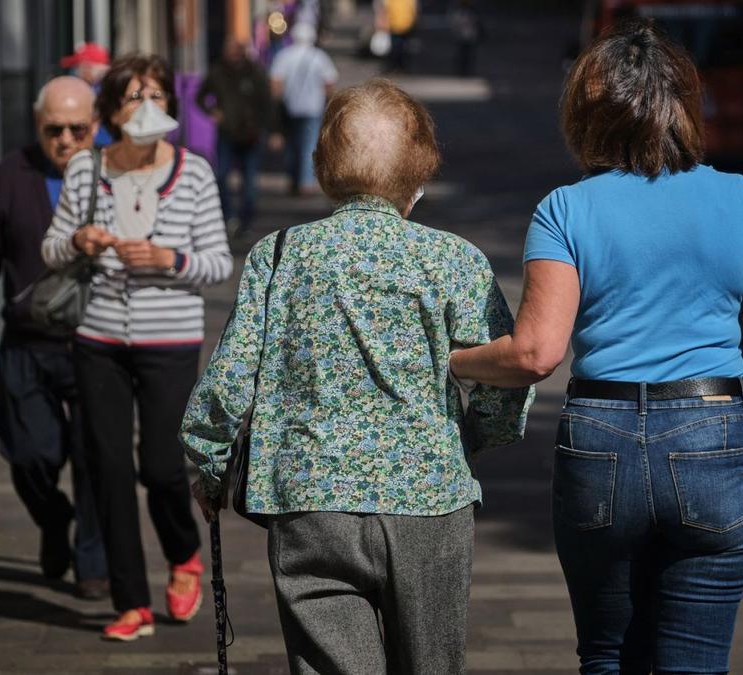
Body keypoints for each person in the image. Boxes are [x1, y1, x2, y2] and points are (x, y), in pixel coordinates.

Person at [449, 20, 743, 675]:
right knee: (694, 658)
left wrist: (454, 360)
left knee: (608, 653)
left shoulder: (565, 209)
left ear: (589, 113)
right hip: (715, 434)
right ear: (687, 107)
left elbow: (535, 352)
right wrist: (735, 328)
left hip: (602, 439)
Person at [182, 79, 533, 674]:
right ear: (420, 171)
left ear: (323, 168)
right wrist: (469, 437)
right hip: (429, 498)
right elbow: (505, 372)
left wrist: (210, 466)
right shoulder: (454, 259)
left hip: (311, 498)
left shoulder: (281, 253)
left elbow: (229, 379)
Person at [41, 54, 233, 641]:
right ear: (110, 113)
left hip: (169, 338)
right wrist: (79, 239)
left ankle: (183, 554)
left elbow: (219, 262)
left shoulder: (194, 173)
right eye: (132, 97)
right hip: (97, 336)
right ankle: (131, 601)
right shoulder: (85, 171)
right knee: (107, 466)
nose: (147, 107)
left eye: (157, 95)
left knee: (158, 463)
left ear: (172, 105)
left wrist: (168, 259)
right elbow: (50, 250)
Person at [0, 76, 109, 600]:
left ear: (96, 126)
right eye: (53, 130)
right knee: (28, 454)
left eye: (78, 129)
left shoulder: (115, 173)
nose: (65, 140)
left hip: (97, 341)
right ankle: (52, 518)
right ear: (37, 127)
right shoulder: (13, 175)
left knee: (95, 458)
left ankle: (93, 562)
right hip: (27, 338)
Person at [196, 38, 274, 237]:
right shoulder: (217, 72)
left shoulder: (255, 72)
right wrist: (213, 112)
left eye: (235, 50)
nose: (232, 54)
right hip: (227, 133)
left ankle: (246, 221)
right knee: (221, 175)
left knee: (249, 182)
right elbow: (200, 97)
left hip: (251, 134)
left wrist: (270, 130)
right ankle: (228, 217)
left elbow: (267, 102)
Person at [270, 22, 338, 196]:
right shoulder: (319, 57)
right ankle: (305, 182)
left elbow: (275, 84)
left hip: (290, 107)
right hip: (312, 108)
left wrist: (277, 105)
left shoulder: (284, 56)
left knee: (292, 145)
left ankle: (293, 178)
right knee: (309, 145)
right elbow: (329, 83)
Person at [61, 42, 114, 146]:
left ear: (87, 68)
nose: (74, 72)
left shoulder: (95, 92)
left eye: (76, 67)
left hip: (99, 147)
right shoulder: (113, 85)